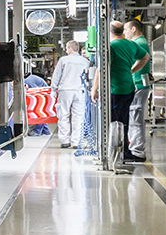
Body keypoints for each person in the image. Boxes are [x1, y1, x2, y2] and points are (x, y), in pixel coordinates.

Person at [92, 21, 150, 163]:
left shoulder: (110, 46)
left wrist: (94, 88)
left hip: (114, 89)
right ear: (122, 31)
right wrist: (132, 70)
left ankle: (112, 152)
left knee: (112, 122)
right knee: (124, 121)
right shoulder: (131, 44)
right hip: (129, 88)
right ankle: (124, 152)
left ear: (108, 31)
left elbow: (101, 69)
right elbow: (145, 57)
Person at [50, 40, 91, 148]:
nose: (66, 50)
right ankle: (76, 142)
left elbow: (56, 75)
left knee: (63, 115)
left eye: (67, 48)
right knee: (78, 117)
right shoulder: (85, 61)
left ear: (70, 49)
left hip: (65, 91)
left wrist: (53, 89)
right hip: (80, 91)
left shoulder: (63, 60)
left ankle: (65, 141)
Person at [124, 19, 152, 160]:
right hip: (139, 84)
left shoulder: (138, 43)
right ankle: (135, 149)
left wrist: (129, 71)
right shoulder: (141, 42)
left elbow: (144, 59)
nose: (124, 33)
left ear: (133, 29)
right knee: (135, 117)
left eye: (126, 29)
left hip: (138, 84)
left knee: (135, 118)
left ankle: (137, 151)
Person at [23, 66, 50, 135]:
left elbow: (34, 91)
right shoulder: (28, 79)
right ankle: (46, 130)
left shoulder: (28, 81)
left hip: (44, 93)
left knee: (39, 112)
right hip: (44, 93)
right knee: (42, 113)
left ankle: (37, 131)